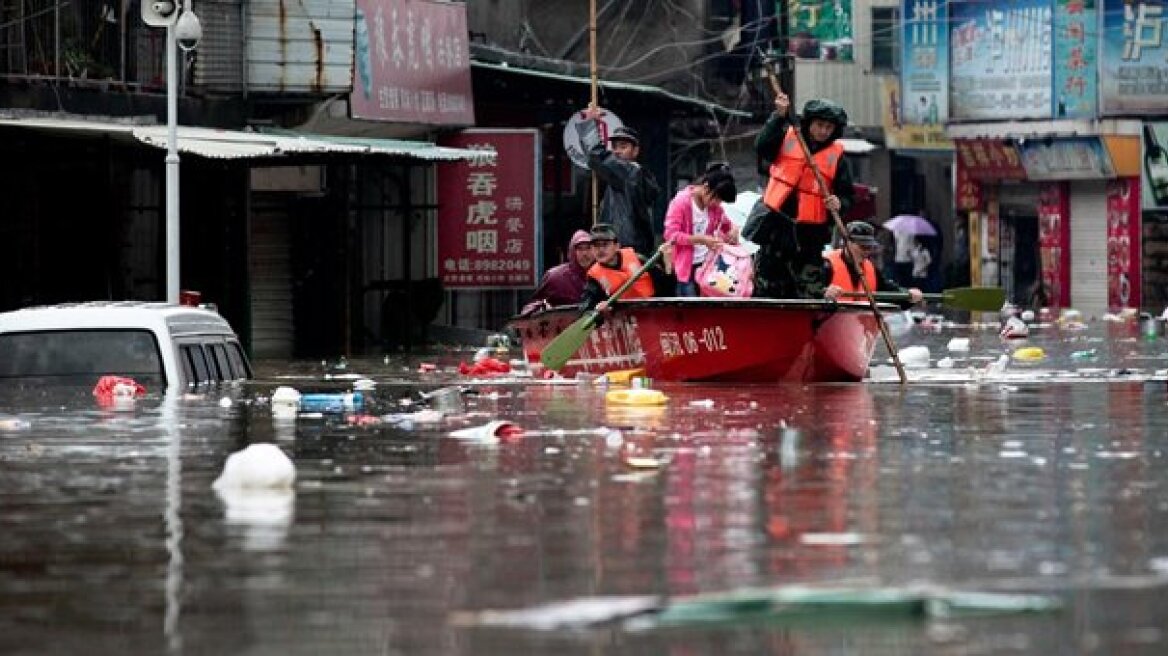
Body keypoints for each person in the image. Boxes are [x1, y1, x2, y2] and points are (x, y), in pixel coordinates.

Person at [744, 91, 854, 299]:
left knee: (808, 287)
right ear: (810, 123)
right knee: (769, 282)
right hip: (776, 223)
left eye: (829, 127)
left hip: (809, 233)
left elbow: (847, 195)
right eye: (819, 125)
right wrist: (778, 116)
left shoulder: (838, 157)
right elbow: (762, 147)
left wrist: (839, 202)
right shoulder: (788, 136)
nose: (823, 131)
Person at [576, 107, 660, 257]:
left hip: (622, 247)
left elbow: (597, 155)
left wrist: (589, 124)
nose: (617, 151)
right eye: (614, 147)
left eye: (623, 146)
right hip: (635, 249)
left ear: (635, 151)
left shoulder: (629, 172)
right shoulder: (638, 175)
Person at [663, 163, 740, 297]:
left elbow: (728, 225)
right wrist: (701, 239)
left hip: (708, 268)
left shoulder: (716, 209)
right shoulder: (681, 203)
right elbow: (671, 235)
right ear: (705, 188)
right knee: (692, 309)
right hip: (686, 269)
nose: (718, 203)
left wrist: (734, 231)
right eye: (716, 198)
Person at [821, 221, 923, 306]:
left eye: (869, 247)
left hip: (859, 327)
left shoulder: (871, 269)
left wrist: (908, 295)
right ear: (847, 243)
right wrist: (824, 293)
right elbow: (810, 292)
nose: (866, 251)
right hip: (830, 325)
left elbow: (888, 291)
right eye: (863, 247)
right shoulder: (826, 265)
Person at [580, 223, 655, 314]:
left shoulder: (639, 259)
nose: (600, 250)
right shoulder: (594, 277)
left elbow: (665, 284)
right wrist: (597, 308)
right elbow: (586, 306)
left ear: (617, 246)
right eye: (596, 246)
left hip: (652, 310)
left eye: (605, 244)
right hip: (625, 318)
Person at [520, 230, 594, 314]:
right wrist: (541, 309)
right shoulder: (556, 277)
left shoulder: (602, 275)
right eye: (580, 249)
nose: (584, 253)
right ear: (572, 251)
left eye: (588, 248)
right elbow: (532, 306)